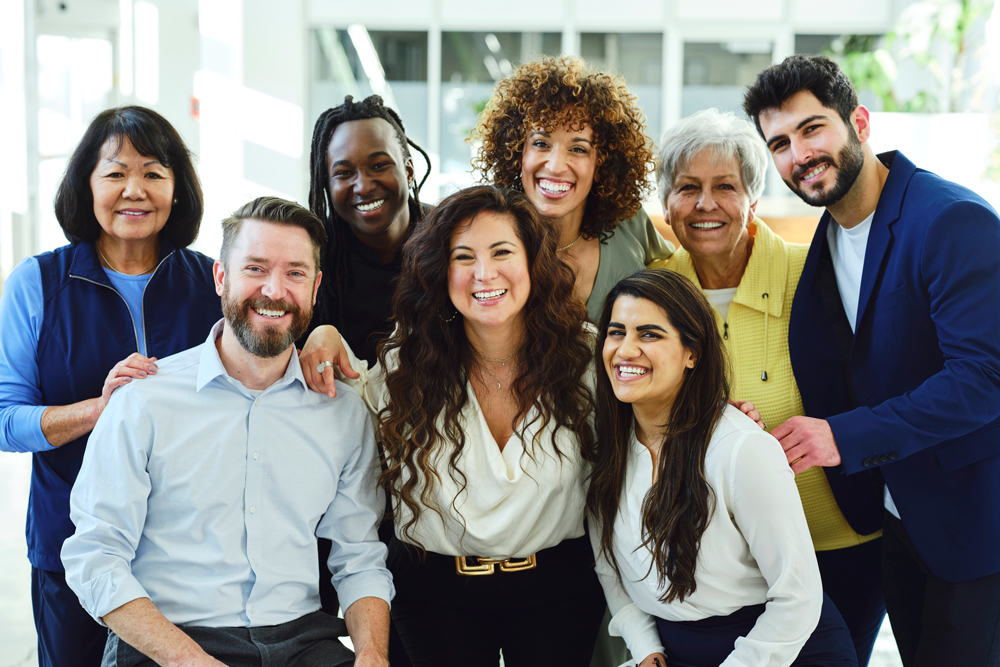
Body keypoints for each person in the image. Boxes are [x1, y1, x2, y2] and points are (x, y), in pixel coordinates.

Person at [744, 54, 1000, 666]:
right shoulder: (827, 237)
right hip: (893, 520)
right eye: (779, 143)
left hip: (971, 525)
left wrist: (841, 436)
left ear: (858, 121)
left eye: (812, 129)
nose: (799, 154)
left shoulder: (950, 220)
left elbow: (984, 379)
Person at [61, 196, 393, 667]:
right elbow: (94, 556)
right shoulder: (144, 401)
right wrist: (188, 660)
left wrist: (372, 656)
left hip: (303, 640)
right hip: (174, 640)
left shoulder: (341, 412)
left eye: (295, 273)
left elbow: (358, 556)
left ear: (316, 287)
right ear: (221, 277)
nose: (274, 291)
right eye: (255, 269)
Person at [648, 108, 885, 665]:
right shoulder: (654, 297)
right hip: (724, 568)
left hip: (841, 546)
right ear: (667, 204)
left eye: (725, 187)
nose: (705, 204)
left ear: (754, 199)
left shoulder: (819, 275)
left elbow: (879, 384)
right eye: (687, 188)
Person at [335, 184, 606, 666]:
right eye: (464, 257)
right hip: (433, 594)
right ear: (442, 272)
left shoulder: (587, 357)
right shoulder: (403, 365)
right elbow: (337, 412)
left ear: (532, 263)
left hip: (560, 590)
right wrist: (321, 334)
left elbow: (658, 417)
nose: (484, 273)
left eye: (502, 251)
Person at [0, 106, 222, 667]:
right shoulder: (40, 282)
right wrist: (96, 411)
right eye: (115, 173)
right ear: (87, 184)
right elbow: (5, 419)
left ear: (177, 188)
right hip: (71, 547)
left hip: (189, 555)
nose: (134, 190)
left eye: (153, 172)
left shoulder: (212, 282)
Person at [588, 268, 858, 667]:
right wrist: (645, 646)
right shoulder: (607, 445)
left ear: (692, 353)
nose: (626, 350)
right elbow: (610, 565)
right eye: (616, 332)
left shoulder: (743, 449)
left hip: (779, 650)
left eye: (649, 334)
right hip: (671, 651)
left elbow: (798, 597)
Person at [473, 55, 673, 323]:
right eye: (541, 144)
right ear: (517, 153)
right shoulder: (483, 233)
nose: (555, 166)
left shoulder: (628, 223)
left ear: (601, 164)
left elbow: (680, 277)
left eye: (578, 149)